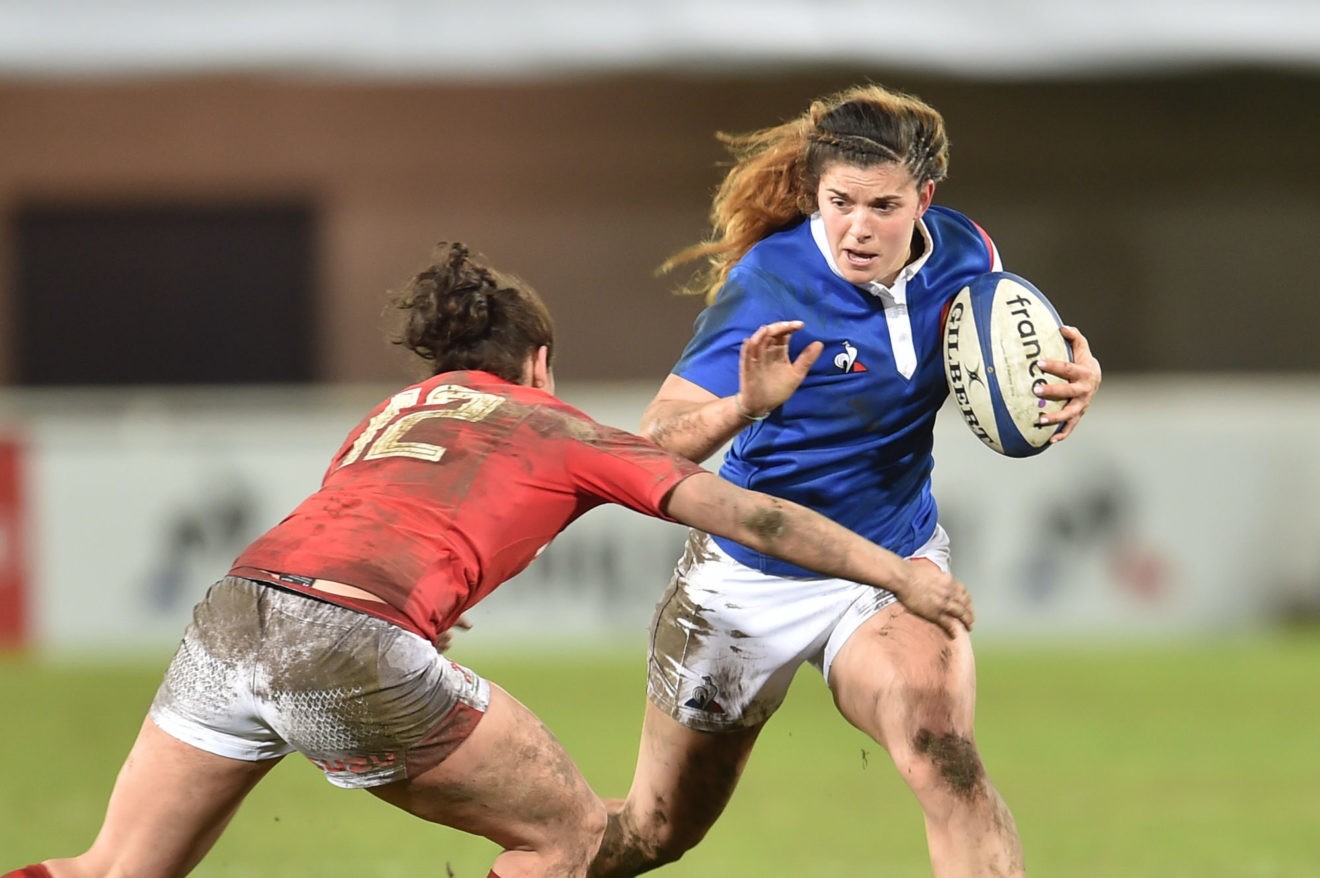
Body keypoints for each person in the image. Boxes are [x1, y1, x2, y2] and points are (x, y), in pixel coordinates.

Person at [4, 241, 976, 878]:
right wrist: (897, 573)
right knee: (573, 837)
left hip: (236, 612)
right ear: (540, 358)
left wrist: (738, 408)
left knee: (111, 870)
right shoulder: (550, 419)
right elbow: (751, 516)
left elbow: (370, 520)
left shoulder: (394, 413)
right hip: (352, 638)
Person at [590, 84, 1102, 877]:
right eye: (839, 202)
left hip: (888, 569)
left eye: (884, 205)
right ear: (813, 193)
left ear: (924, 199)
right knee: (654, 834)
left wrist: (1075, 376)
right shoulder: (772, 282)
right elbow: (650, 445)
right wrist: (742, 405)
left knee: (946, 756)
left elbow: (1016, 349)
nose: (858, 227)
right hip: (748, 581)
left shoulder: (969, 256)